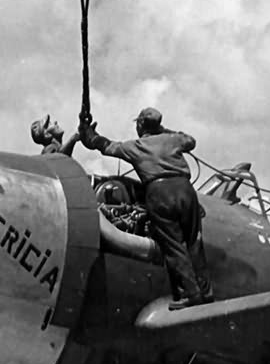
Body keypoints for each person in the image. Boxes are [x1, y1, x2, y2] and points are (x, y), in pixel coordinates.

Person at [80, 106, 213, 308]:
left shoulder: (136, 146)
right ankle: (206, 292)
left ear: (141, 125)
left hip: (160, 193)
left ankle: (191, 294)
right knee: (194, 240)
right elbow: (190, 140)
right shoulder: (173, 140)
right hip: (185, 190)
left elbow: (105, 146)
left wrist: (88, 133)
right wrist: (163, 130)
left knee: (173, 245)